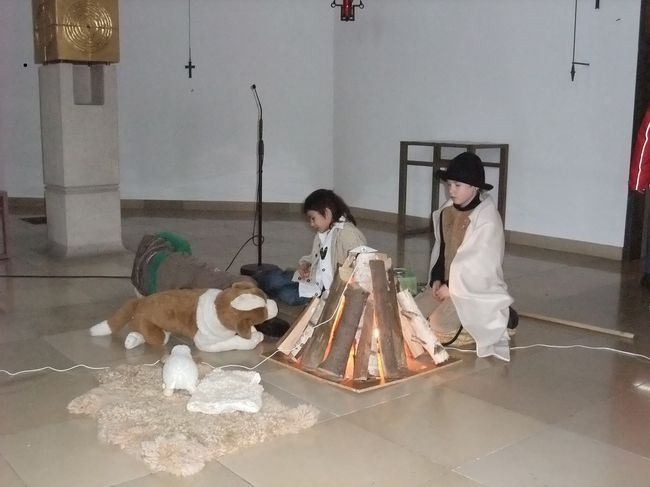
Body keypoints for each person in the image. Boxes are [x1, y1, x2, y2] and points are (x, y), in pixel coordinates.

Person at [422, 152, 517, 361]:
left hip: (472, 289)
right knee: (413, 313)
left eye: (457, 185)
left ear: (474, 187)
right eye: (449, 185)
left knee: (438, 326)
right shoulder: (447, 212)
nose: (451, 190)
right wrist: (437, 279)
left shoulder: (487, 220)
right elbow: (442, 249)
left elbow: (480, 266)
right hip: (447, 285)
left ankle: (502, 315)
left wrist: (453, 287)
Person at [254, 189, 367, 306]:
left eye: (313, 218)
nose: (311, 224)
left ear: (327, 213)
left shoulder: (348, 233)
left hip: (326, 289)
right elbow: (318, 255)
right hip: (313, 279)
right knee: (274, 279)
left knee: (289, 295)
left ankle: (260, 287)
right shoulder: (324, 231)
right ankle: (254, 281)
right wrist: (306, 263)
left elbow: (362, 264)